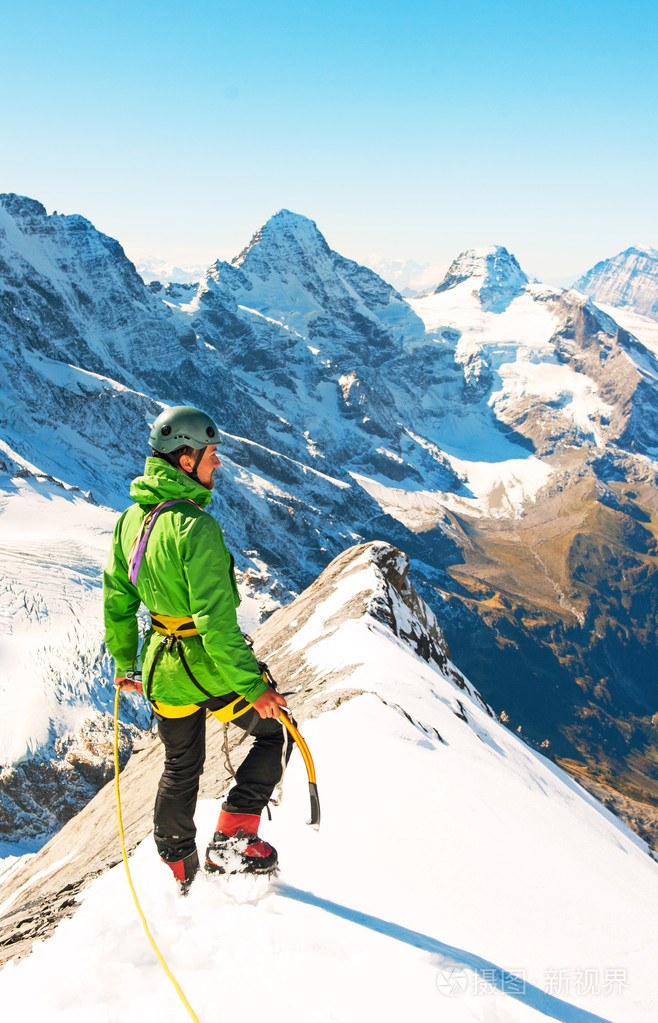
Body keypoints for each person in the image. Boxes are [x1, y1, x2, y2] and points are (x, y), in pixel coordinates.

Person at [103, 405, 289, 892]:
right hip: (206, 667)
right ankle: (233, 840)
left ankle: (180, 869)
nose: (218, 464)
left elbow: (117, 601)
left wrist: (127, 664)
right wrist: (255, 687)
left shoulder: (129, 521)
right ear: (186, 460)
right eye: (211, 455)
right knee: (273, 733)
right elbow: (215, 625)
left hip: (161, 669)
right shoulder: (196, 528)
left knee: (181, 765)